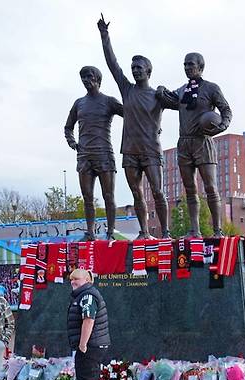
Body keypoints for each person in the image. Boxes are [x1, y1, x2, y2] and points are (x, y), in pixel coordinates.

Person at [97, 14, 170, 239]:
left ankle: (165, 232)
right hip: (130, 150)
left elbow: (182, 105)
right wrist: (104, 35)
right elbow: (112, 64)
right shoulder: (127, 90)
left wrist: (166, 93)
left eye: (139, 67)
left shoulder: (157, 95)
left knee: (157, 192)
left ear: (148, 71)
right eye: (133, 68)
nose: (135, 70)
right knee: (136, 194)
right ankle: (144, 232)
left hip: (150, 150)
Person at [156, 53, 232, 237]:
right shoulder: (182, 91)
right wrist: (160, 91)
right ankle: (194, 230)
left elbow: (226, 110)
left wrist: (220, 126)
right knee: (190, 189)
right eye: (185, 65)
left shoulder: (211, 89)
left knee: (210, 187)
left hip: (203, 142)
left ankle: (217, 230)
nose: (187, 67)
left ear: (200, 67)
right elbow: (167, 100)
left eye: (190, 64)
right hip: (184, 143)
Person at [65, 65, 124, 240]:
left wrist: (150, 127)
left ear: (97, 79)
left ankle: (111, 232)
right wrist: (72, 142)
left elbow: (132, 115)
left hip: (104, 154)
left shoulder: (109, 101)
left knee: (108, 196)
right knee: (87, 197)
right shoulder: (79, 103)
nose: (85, 80)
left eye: (88, 76)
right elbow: (68, 127)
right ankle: (90, 232)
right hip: (84, 157)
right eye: (82, 77)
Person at [67, 268, 110, 380]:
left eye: (76, 279)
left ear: (87, 280)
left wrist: (83, 344)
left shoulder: (87, 296)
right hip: (96, 344)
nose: (73, 282)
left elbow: (88, 320)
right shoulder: (85, 294)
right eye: (71, 279)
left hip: (91, 345)